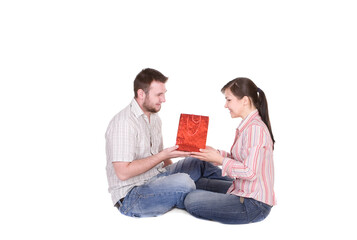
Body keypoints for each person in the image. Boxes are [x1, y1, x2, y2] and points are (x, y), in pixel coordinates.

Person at [105, 68, 231, 217]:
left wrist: (172, 163)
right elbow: (123, 172)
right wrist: (165, 156)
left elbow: (161, 160)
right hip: (132, 196)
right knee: (184, 182)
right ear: (141, 94)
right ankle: (221, 194)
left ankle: (237, 187)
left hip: (157, 177)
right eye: (159, 95)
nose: (164, 99)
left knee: (197, 163)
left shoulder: (155, 118)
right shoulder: (124, 123)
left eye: (164, 94)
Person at [184, 77, 276, 224]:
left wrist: (220, 160)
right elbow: (239, 159)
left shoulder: (255, 129)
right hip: (243, 189)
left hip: (253, 204)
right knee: (197, 183)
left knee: (190, 200)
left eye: (229, 100)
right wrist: (216, 153)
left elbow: (249, 171)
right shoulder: (248, 125)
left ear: (245, 100)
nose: (225, 106)